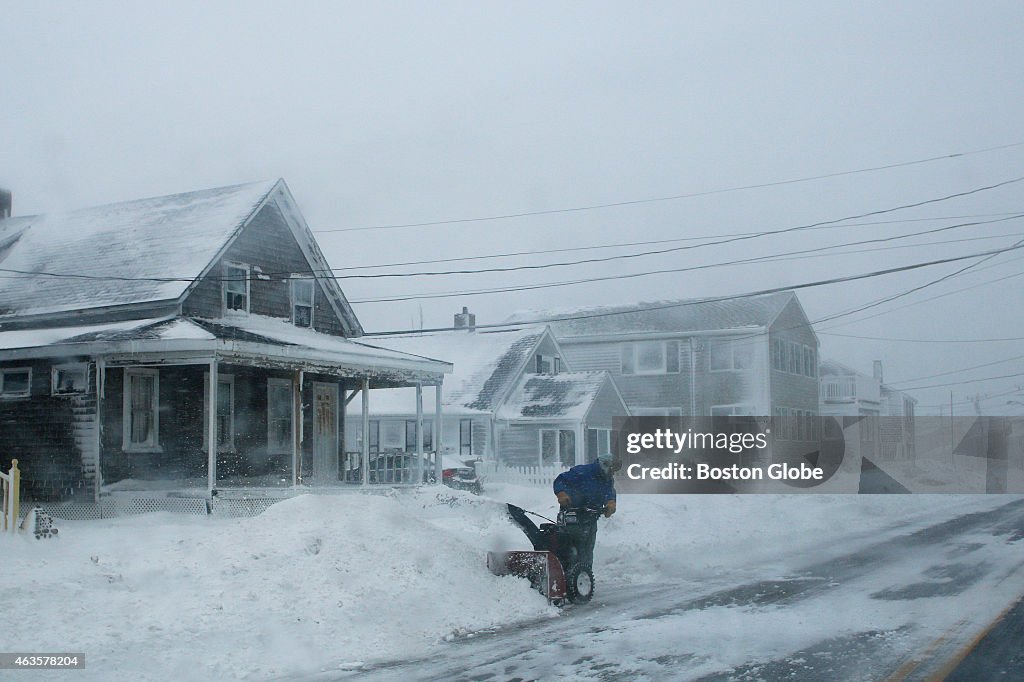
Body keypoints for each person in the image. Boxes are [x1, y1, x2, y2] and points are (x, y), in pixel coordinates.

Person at [551, 451, 617, 573]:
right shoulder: (581, 472)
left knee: (587, 551)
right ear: (604, 465)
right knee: (571, 550)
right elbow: (560, 481)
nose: (613, 473)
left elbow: (609, 491)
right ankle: (566, 576)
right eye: (612, 469)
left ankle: (584, 579)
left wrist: (610, 502)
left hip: (591, 519)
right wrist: (562, 494)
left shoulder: (607, 479)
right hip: (572, 517)